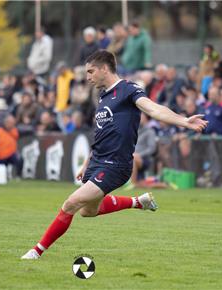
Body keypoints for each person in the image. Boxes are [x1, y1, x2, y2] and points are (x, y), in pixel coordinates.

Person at [20, 50, 207, 259]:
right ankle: (139, 202)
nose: (88, 77)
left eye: (91, 71)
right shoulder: (104, 96)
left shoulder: (128, 89)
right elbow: (101, 133)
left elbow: (154, 109)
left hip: (116, 165)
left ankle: (36, 252)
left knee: (70, 204)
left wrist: (184, 121)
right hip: (97, 161)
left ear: (104, 68)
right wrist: (86, 164)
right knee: (87, 211)